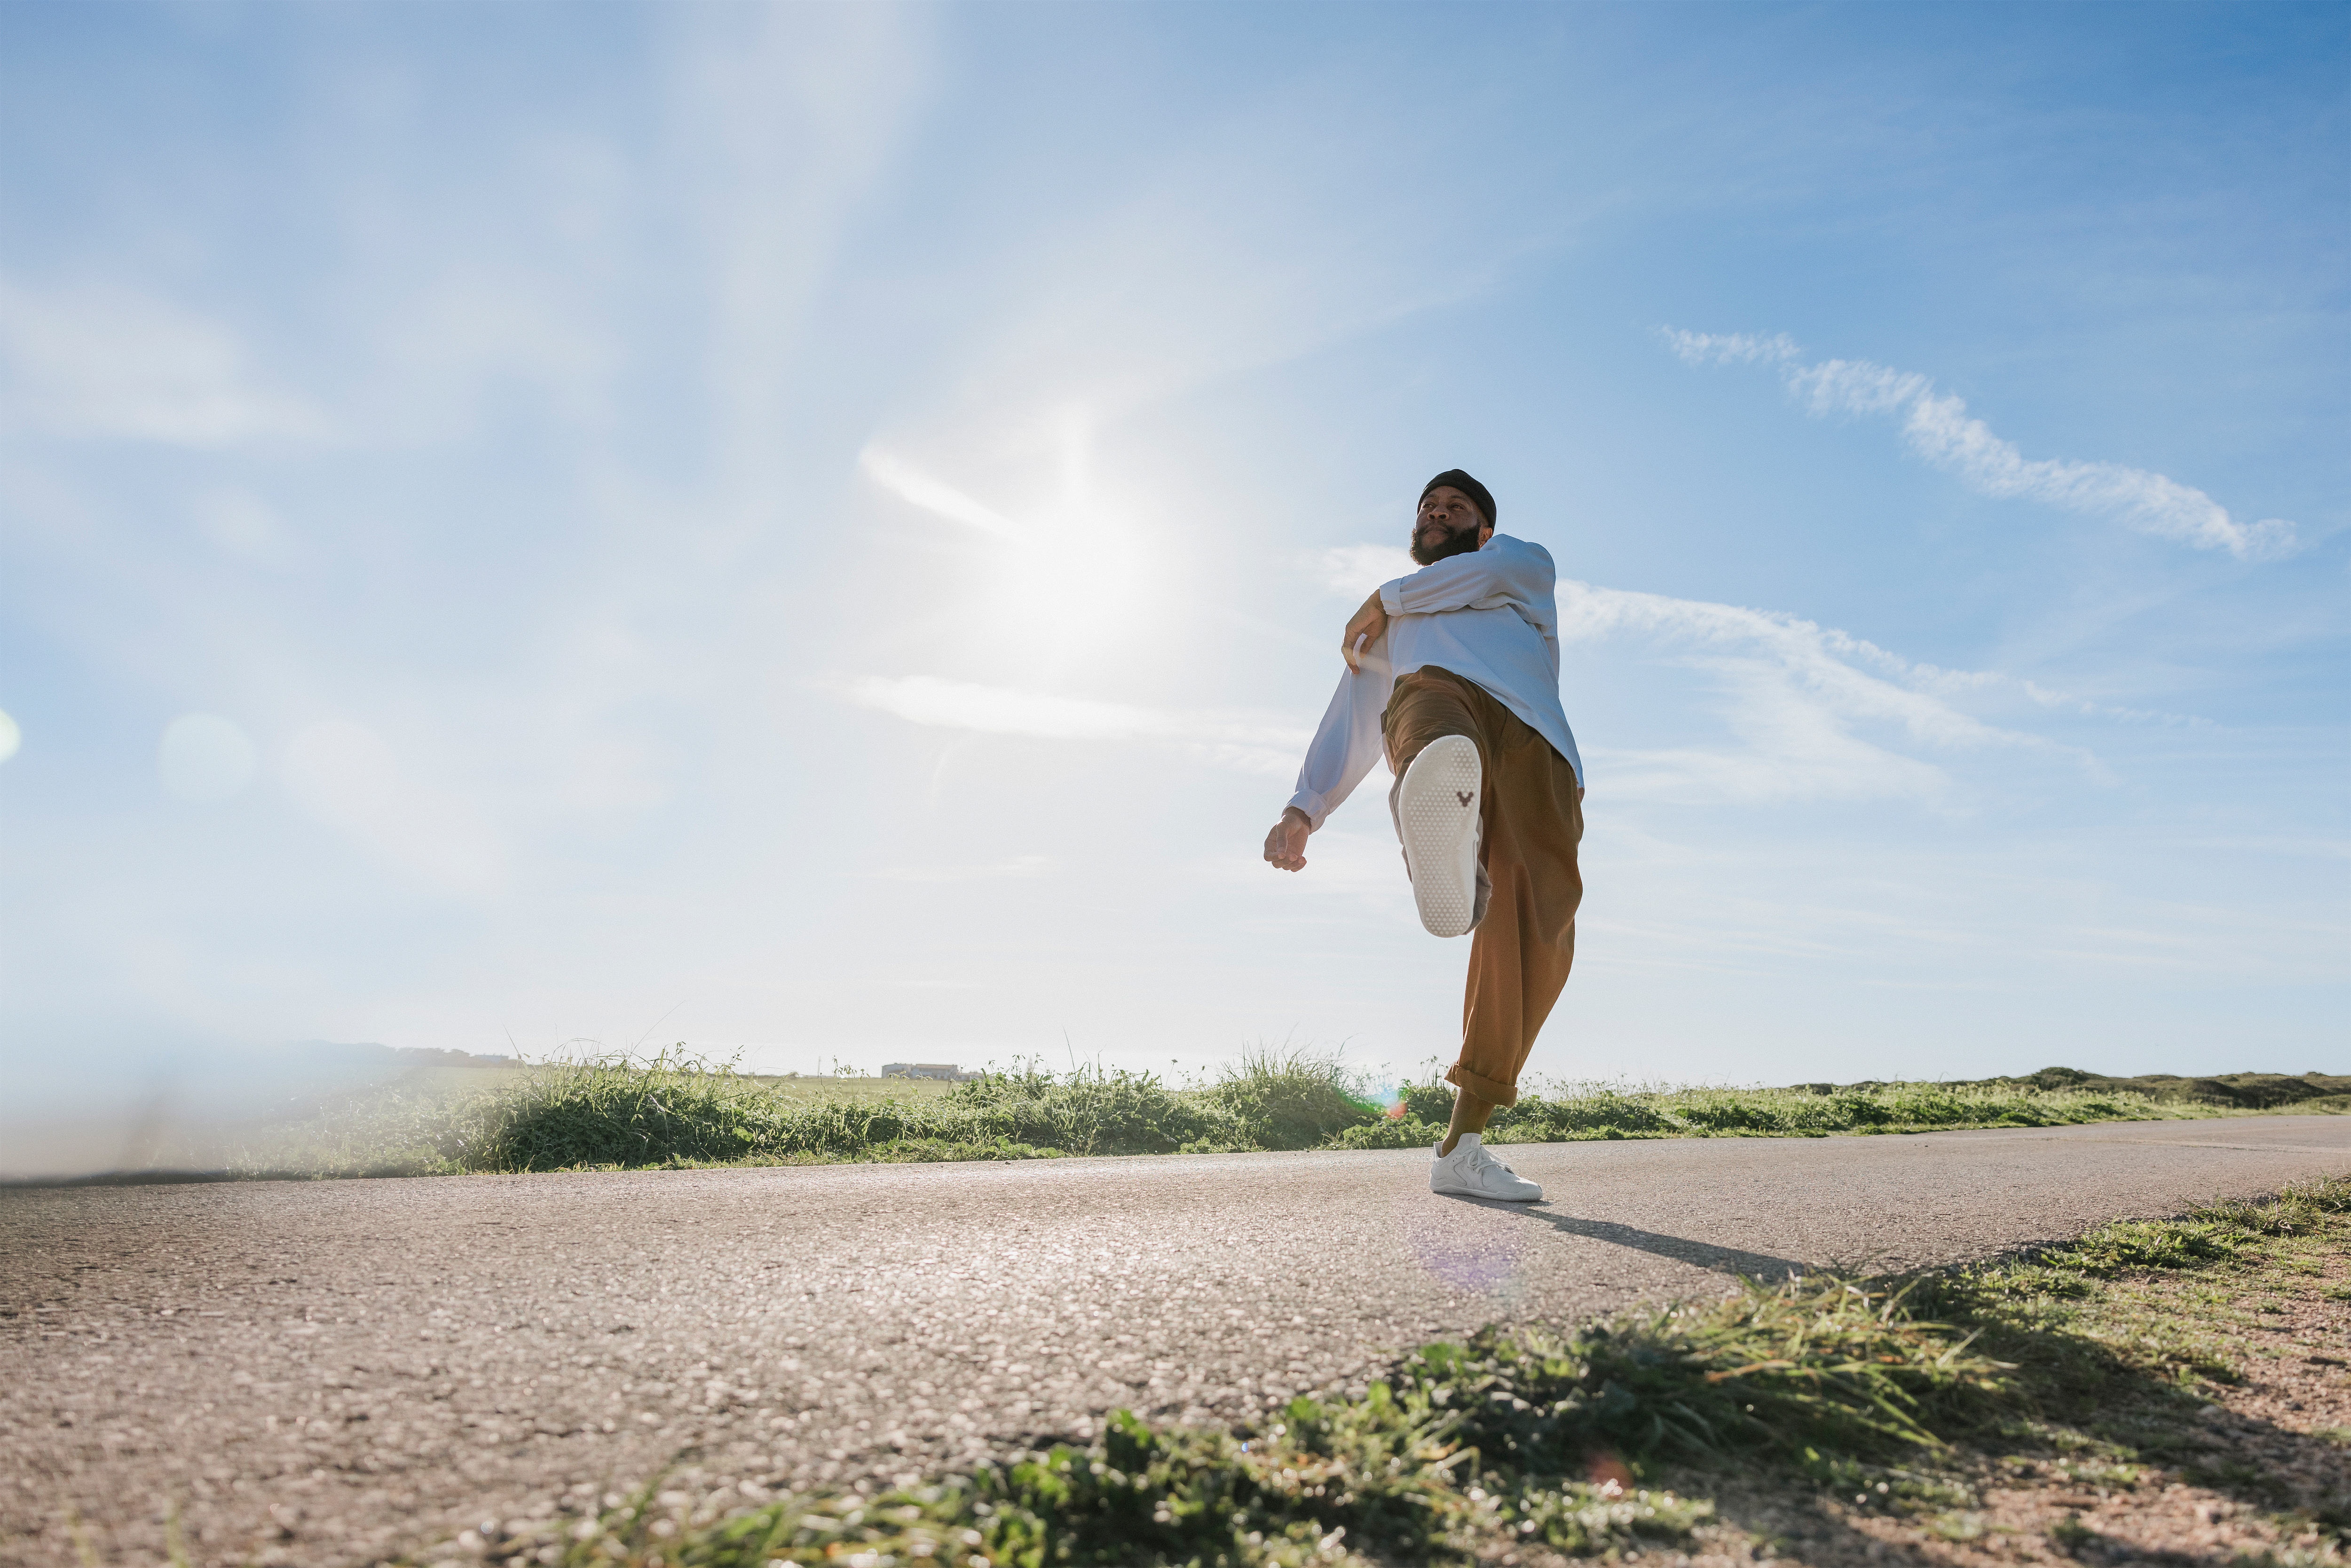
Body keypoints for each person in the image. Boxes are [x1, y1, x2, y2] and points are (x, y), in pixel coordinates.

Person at [1262, 470, 1585, 1202]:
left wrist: (1381, 596)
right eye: (1428, 508)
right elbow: (1349, 722)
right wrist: (1303, 808)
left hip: (1539, 752)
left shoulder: (1520, 573)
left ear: (1483, 527)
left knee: (1538, 928)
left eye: (1455, 508)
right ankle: (1441, 827)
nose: (1438, 513)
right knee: (1429, 704)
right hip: (1442, 712)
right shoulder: (1395, 632)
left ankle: (1461, 1148)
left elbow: (1503, 566)